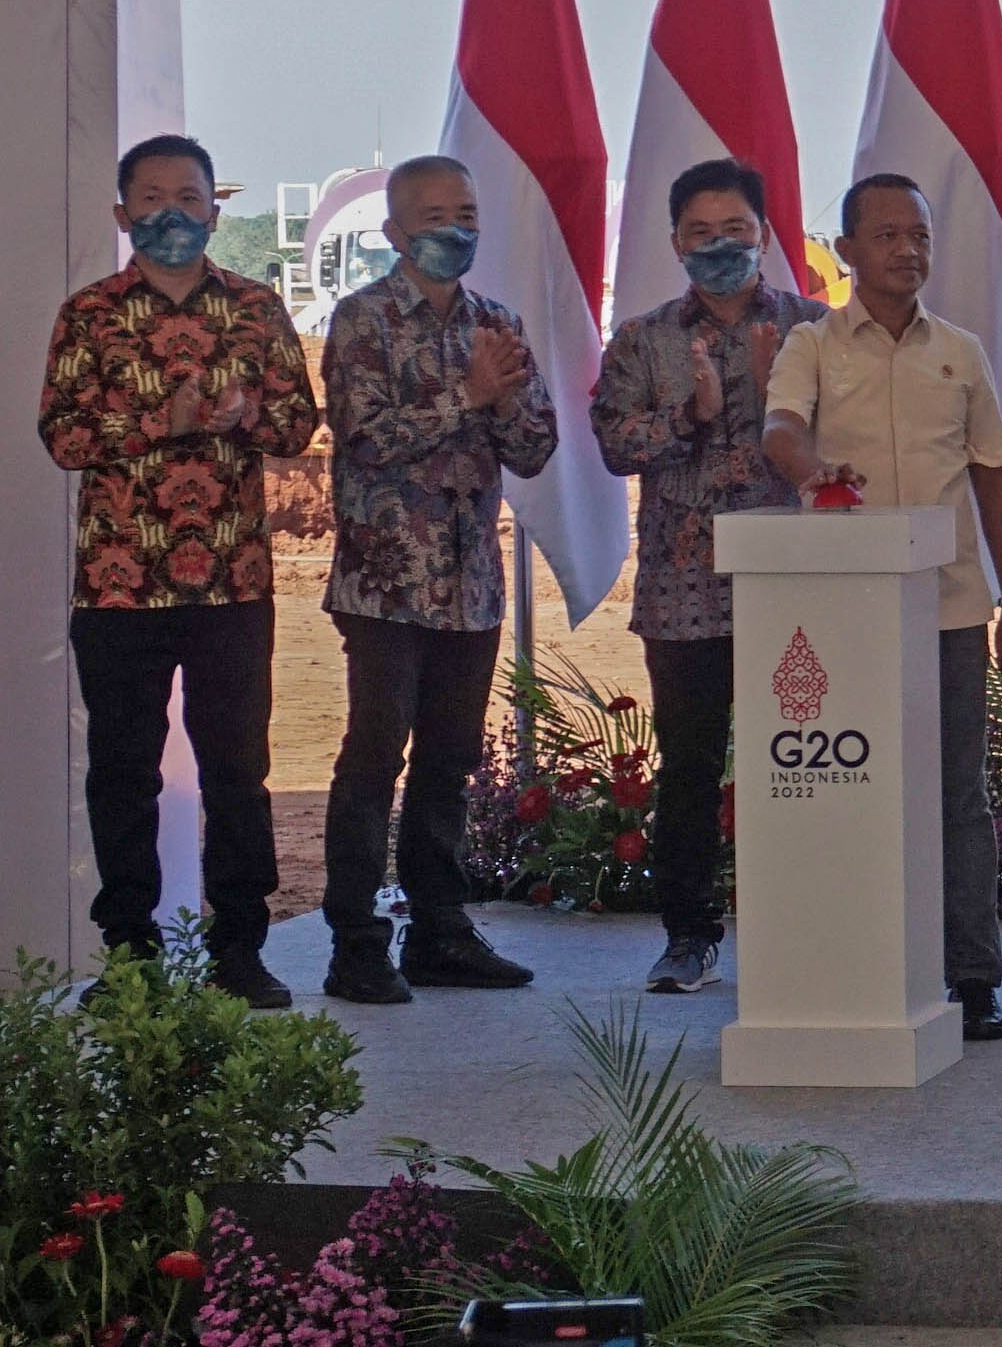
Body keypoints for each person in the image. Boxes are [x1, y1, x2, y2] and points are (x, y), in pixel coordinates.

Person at [37, 134, 322, 1003]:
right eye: (152, 199)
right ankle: (130, 958)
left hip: (231, 584)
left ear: (214, 211)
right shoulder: (89, 314)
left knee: (238, 767)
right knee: (123, 772)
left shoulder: (255, 309)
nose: (172, 214)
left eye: (189, 198)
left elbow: (295, 427)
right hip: (118, 585)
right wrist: (165, 422)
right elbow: (63, 438)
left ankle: (241, 948)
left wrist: (242, 417)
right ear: (123, 214)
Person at [763, 173, 1002, 1043]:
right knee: (849, 788)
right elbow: (780, 432)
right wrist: (810, 474)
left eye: (918, 235)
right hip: (842, 617)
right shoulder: (810, 345)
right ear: (844, 251)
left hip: (949, 607)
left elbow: (993, 475)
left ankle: (973, 976)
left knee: (959, 797)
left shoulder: (961, 350)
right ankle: (857, 963)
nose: (907, 250)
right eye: (886, 236)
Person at [320, 152, 557, 1005]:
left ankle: (440, 933)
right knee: (373, 757)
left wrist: (500, 400)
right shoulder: (361, 321)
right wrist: (469, 394)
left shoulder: (496, 321)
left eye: (464, 214)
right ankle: (354, 941)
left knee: (449, 761)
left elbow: (533, 448)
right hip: (386, 586)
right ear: (393, 232)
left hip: (471, 582)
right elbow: (365, 439)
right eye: (432, 217)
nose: (453, 230)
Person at [589, 158, 824, 996]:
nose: (719, 246)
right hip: (683, 589)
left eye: (735, 230)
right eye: (700, 233)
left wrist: (776, 402)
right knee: (688, 767)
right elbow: (614, 443)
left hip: (799, 587)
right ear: (675, 241)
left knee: (799, 760)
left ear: (764, 233)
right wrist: (684, 418)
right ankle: (686, 936)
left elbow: (848, 448)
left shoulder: (815, 329)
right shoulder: (644, 339)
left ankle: (805, 926)